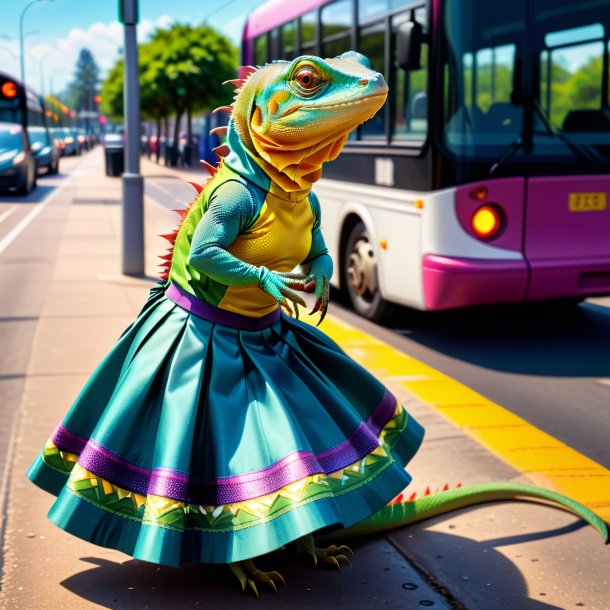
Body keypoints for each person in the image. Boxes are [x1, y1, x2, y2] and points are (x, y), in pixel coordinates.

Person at [27, 51, 424, 592]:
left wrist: (323, 270)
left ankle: (301, 533)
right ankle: (230, 550)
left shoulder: (299, 192)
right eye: (309, 82)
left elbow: (316, 247)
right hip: (204, 335)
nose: (361, 83)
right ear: (261, 114)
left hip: (265, 331)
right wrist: (262, 279)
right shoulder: (236, 192)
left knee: (297, 433)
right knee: (222, 448)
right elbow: (201, 257)